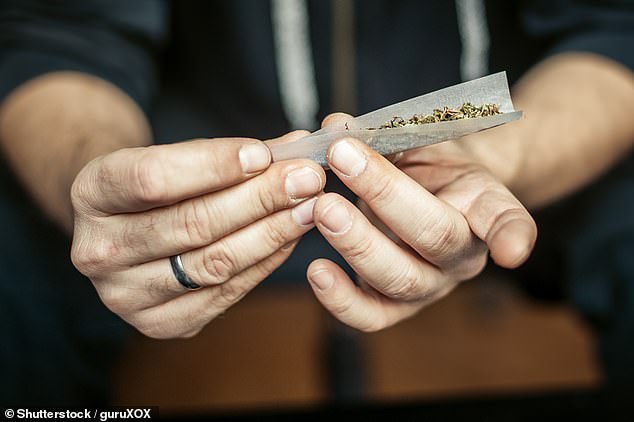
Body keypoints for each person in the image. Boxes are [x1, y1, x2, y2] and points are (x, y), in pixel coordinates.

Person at [0, 0, 632, 404]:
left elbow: (613, 33)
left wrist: (494, 159)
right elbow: (59, 35)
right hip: (189, 160)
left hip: (515, 149)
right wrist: (105, 191)